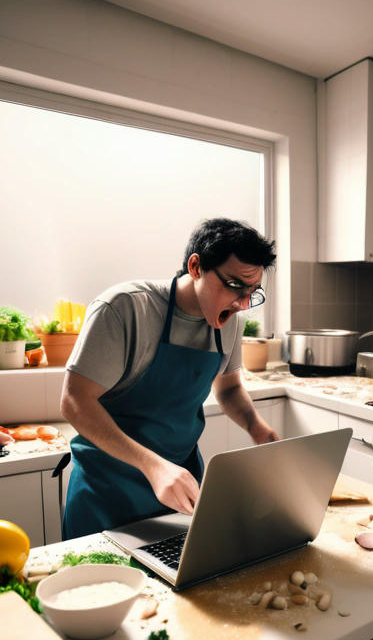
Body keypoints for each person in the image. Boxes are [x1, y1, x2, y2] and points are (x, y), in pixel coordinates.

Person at [60, 218, 279, 539]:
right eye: (234, 287)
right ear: (196, 267)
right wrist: (153, 465)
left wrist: (257, 428)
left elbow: (229, 388)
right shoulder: (125, 308)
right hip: (107, 492)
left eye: (252, 292)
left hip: (180, 490)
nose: (242, 303)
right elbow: (74, 402)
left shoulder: (230, 322)